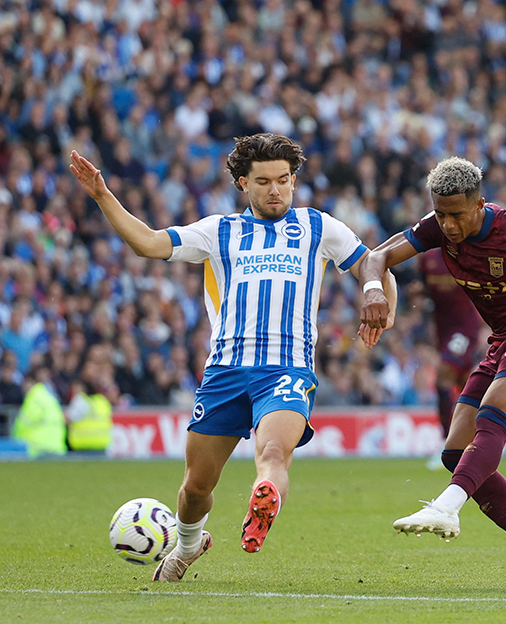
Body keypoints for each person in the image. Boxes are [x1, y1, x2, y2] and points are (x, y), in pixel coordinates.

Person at [69, 134, 397, 581]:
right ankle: (188, 545)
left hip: (287, 368)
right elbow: (147, 243)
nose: (276, 190)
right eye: (264, 181)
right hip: (225, 371)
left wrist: (380, 302)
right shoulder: (218, 231)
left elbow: (373, 263)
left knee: (275, 453)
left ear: (294, 180)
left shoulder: (319, 227)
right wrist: (104, 196)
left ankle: (264, 497)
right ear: (244, 183)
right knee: (196, 487)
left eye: (284, 180)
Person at [361, 156, 506, 585]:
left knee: (491, 415)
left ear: (479, 204)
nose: (447, 225)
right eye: (441, 214)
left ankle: (446, 506)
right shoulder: (435, 226)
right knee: (454, 453)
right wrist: (374, 291)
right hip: (503, 342)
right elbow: (377, 258)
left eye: (456, 214)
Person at [415, 248, 485, 469]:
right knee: (466, 385)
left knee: (442, 377)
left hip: (465, 327)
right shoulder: (427, 258)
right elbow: (425, 291)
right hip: (443, 330)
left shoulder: (467, 254)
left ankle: (448, 445)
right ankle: (490, 430)